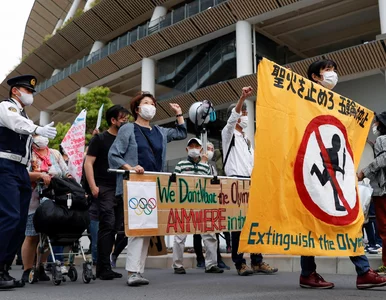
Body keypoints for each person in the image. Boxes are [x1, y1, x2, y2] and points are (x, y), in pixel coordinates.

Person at [300, 59, 386, 289]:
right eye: (327, 70)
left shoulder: (335, 104)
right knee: (327, 220)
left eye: (334, 70)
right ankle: (362, 271)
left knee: (341, 219)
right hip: (314, 171)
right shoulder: (303, 99)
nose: (332, 74)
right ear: (315, 77)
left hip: (335, 172)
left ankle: (311, 273)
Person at [108, 91, 187, 286]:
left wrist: (179, 114)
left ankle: (137, 271)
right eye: (146, 103)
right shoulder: (128, 128)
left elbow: (181, 132)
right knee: (137, 229)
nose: (150, 106)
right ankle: (133, 271)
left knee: (146, 230)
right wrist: (130, 168)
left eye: (152, 103)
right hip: (135, 184)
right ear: (137, 109)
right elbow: (114, 154)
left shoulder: (159, 131)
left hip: (154, 184)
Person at [0, 75, 57, 289]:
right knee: (10, 216)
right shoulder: (6, 107)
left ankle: (4, 268)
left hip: (20, 169)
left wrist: (36, 137)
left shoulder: (23, 114)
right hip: (5, 165)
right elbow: (15, 124)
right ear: (15, 91)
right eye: (28, 90)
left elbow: (23, 129)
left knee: (19, 220)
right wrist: (36, 129)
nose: (30, 95)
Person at [222, 86, 278, 276]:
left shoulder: (246, 139)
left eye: (246, 111)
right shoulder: (227, 134)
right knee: (238, 225)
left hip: (251, 183)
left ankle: (257, 261)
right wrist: (241, 98)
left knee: (255, 222)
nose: (244, 115)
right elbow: (231, 120)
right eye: (242, 112)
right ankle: (240, 263)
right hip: (236, 182)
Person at [84, 105, 129, 280]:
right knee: (108, 224)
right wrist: (93, 186)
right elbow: (88, 163)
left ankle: (106, 266)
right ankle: (102, 268)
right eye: (123, 118)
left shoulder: (126, 140)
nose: (126, 121)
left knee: (116, 227)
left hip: (121, 187)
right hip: (104, 187)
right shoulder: (100, 139)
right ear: (113, 120)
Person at [21, 135, 71, 282]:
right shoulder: (27, 153)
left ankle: (40, 266)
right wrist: (39, 175)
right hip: (34, 198)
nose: (42, 139)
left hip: (54, 198)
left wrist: (70, 181)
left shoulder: (54, 153)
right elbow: (23, 174)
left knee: (49, 234)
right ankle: (27, 269)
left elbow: (65, 171)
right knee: (32, 235)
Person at [173, 138, 224, 275]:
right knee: (180, 235)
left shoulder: (206, 167)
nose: (194, 148)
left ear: (201, 150)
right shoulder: (180, 165)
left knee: (210, 235)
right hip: (184, 205)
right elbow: (174, 184)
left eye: (197, 146)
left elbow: (210, 186)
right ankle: (178, 265)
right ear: (187, 149)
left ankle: (211, 264)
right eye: (191, 146)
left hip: (203, 205)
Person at [193, 141, 230, 270]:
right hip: (198, 202)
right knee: (197, 233)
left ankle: (216, 259)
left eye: (211, 149)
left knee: (215, 231)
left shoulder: (213, 167)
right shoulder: (197, 165)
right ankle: (200, 259)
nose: (209, 151)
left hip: (211, 201)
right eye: (207, 149)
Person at [358, 111, 386, 275]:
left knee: (383, 229)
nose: (374, 125)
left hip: (382, 191)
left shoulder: (382, 139)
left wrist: (364, 172)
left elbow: (383, 159)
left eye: (376, 122)